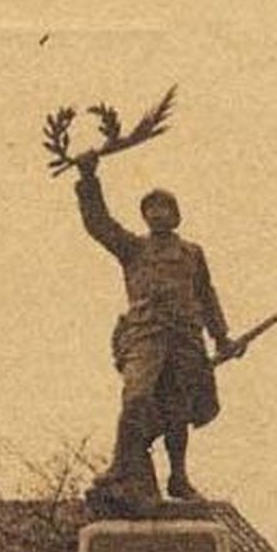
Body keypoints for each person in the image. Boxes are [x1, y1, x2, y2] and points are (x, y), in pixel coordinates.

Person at [73, 156, 244, 511]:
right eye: (151, 207)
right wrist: (89, 178)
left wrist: (223, 338)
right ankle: (122, 466)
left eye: (165, 207)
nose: (158, 212)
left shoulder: (192, 253)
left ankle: (178, 477)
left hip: (185, 338)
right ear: (144, 215)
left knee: (177, 411)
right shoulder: (133, 249)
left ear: (176, 214)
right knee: (136, 397)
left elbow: (206, 296)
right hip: (146, 335)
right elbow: (99, 224)